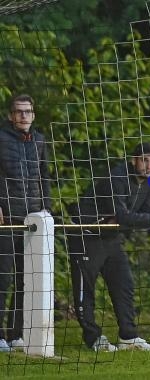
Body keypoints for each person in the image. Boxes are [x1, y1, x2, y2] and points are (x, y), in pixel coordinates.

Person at [67, 142, 150, 352]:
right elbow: (125, 216)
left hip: (111, 237)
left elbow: (147, 212)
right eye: (144, 160)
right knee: (85, 290)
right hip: (86, 235)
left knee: (124, 284)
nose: (149, 166)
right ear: (133, 160)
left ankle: (128, 336)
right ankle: (93, 338)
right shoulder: (116, 178)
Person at [0, 94, 52, 352]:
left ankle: (15, 334)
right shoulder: (1, 139)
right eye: (19, 111)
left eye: (28, 111)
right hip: (6, 219)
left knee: (25, 279)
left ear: (33, 115)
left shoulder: (40, 141)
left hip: (32, 220)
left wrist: (47, 211)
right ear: (11, 115)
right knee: (3, 278)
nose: (23, 115)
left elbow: (45, 176)